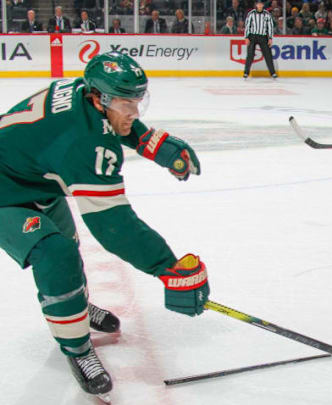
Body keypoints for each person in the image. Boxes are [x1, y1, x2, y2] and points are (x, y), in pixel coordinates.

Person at [0, 51, 209, 401]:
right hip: (6, 191)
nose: (135, 112)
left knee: (66, 246)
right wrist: (166, 267)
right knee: (56, 254)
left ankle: (76, 305)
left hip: (32, 176)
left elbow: (111, 122)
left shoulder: (86, 94)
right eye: (126, 103)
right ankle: (77, 347)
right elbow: (114, 226)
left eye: (137, 100)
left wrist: (154, 145)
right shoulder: (83, 143)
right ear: (98, 97)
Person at [243, 0, 277, 79]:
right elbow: (247, 26)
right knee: (250, 55)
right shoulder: (251, 14)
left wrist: (270, 38)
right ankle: (246, 72)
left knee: (268, 55)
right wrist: (246, 37)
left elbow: (270, 27)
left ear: (263, 5)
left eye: (261, 4)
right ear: (256, 5)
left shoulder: (267, 14)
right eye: (258, 4)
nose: (260, 5)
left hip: (263, 36)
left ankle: (272, 73)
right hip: (252, 36)